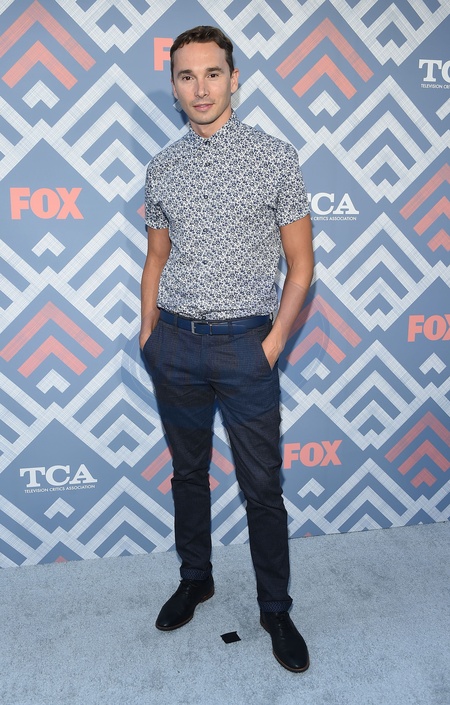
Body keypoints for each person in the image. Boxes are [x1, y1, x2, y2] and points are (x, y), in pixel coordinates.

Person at [141, 25, 314, 673]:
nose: (200, 88)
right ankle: (196, 579)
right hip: (175, 345)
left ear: (234, 79)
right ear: (174, 87)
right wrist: (148, 332)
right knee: (188, 473)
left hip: (246, 346)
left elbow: (301, 265)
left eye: (212, 73)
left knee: (262, 485)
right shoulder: (163, 166)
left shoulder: (274, 156)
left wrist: (272, 342)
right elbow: (156, 256)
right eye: (186, 76)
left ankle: (275, 609)